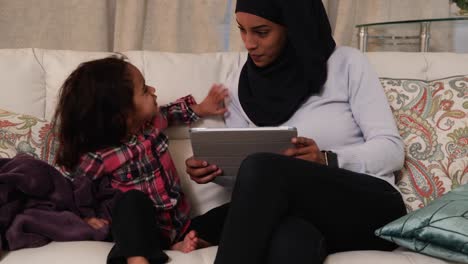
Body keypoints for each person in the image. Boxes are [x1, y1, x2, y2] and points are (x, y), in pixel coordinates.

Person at [185, 0, 407, 263]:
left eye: (261, 32)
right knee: (289, 243)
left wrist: (328, 159)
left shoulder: (346, 64)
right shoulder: (238, 85)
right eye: (242, 30)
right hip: (298, 215)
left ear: (293, 26)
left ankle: (208, 229)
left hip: (367, 207)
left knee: (262, 167)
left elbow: (392, 151)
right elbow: (253, 186)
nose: (249, 43)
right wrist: (215, 171)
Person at [52, 57, 229, 264]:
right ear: (123, 114)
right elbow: (70, 187)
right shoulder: (98, 156)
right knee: (132, 201)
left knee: (236, 210)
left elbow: (170, 113)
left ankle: (185, 243)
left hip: (180, 226)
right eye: (145, 90)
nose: (153, 90)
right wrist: (85, 217)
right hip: (140, 231)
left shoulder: (152, 123)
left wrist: (200, 108)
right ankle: (138, 259)